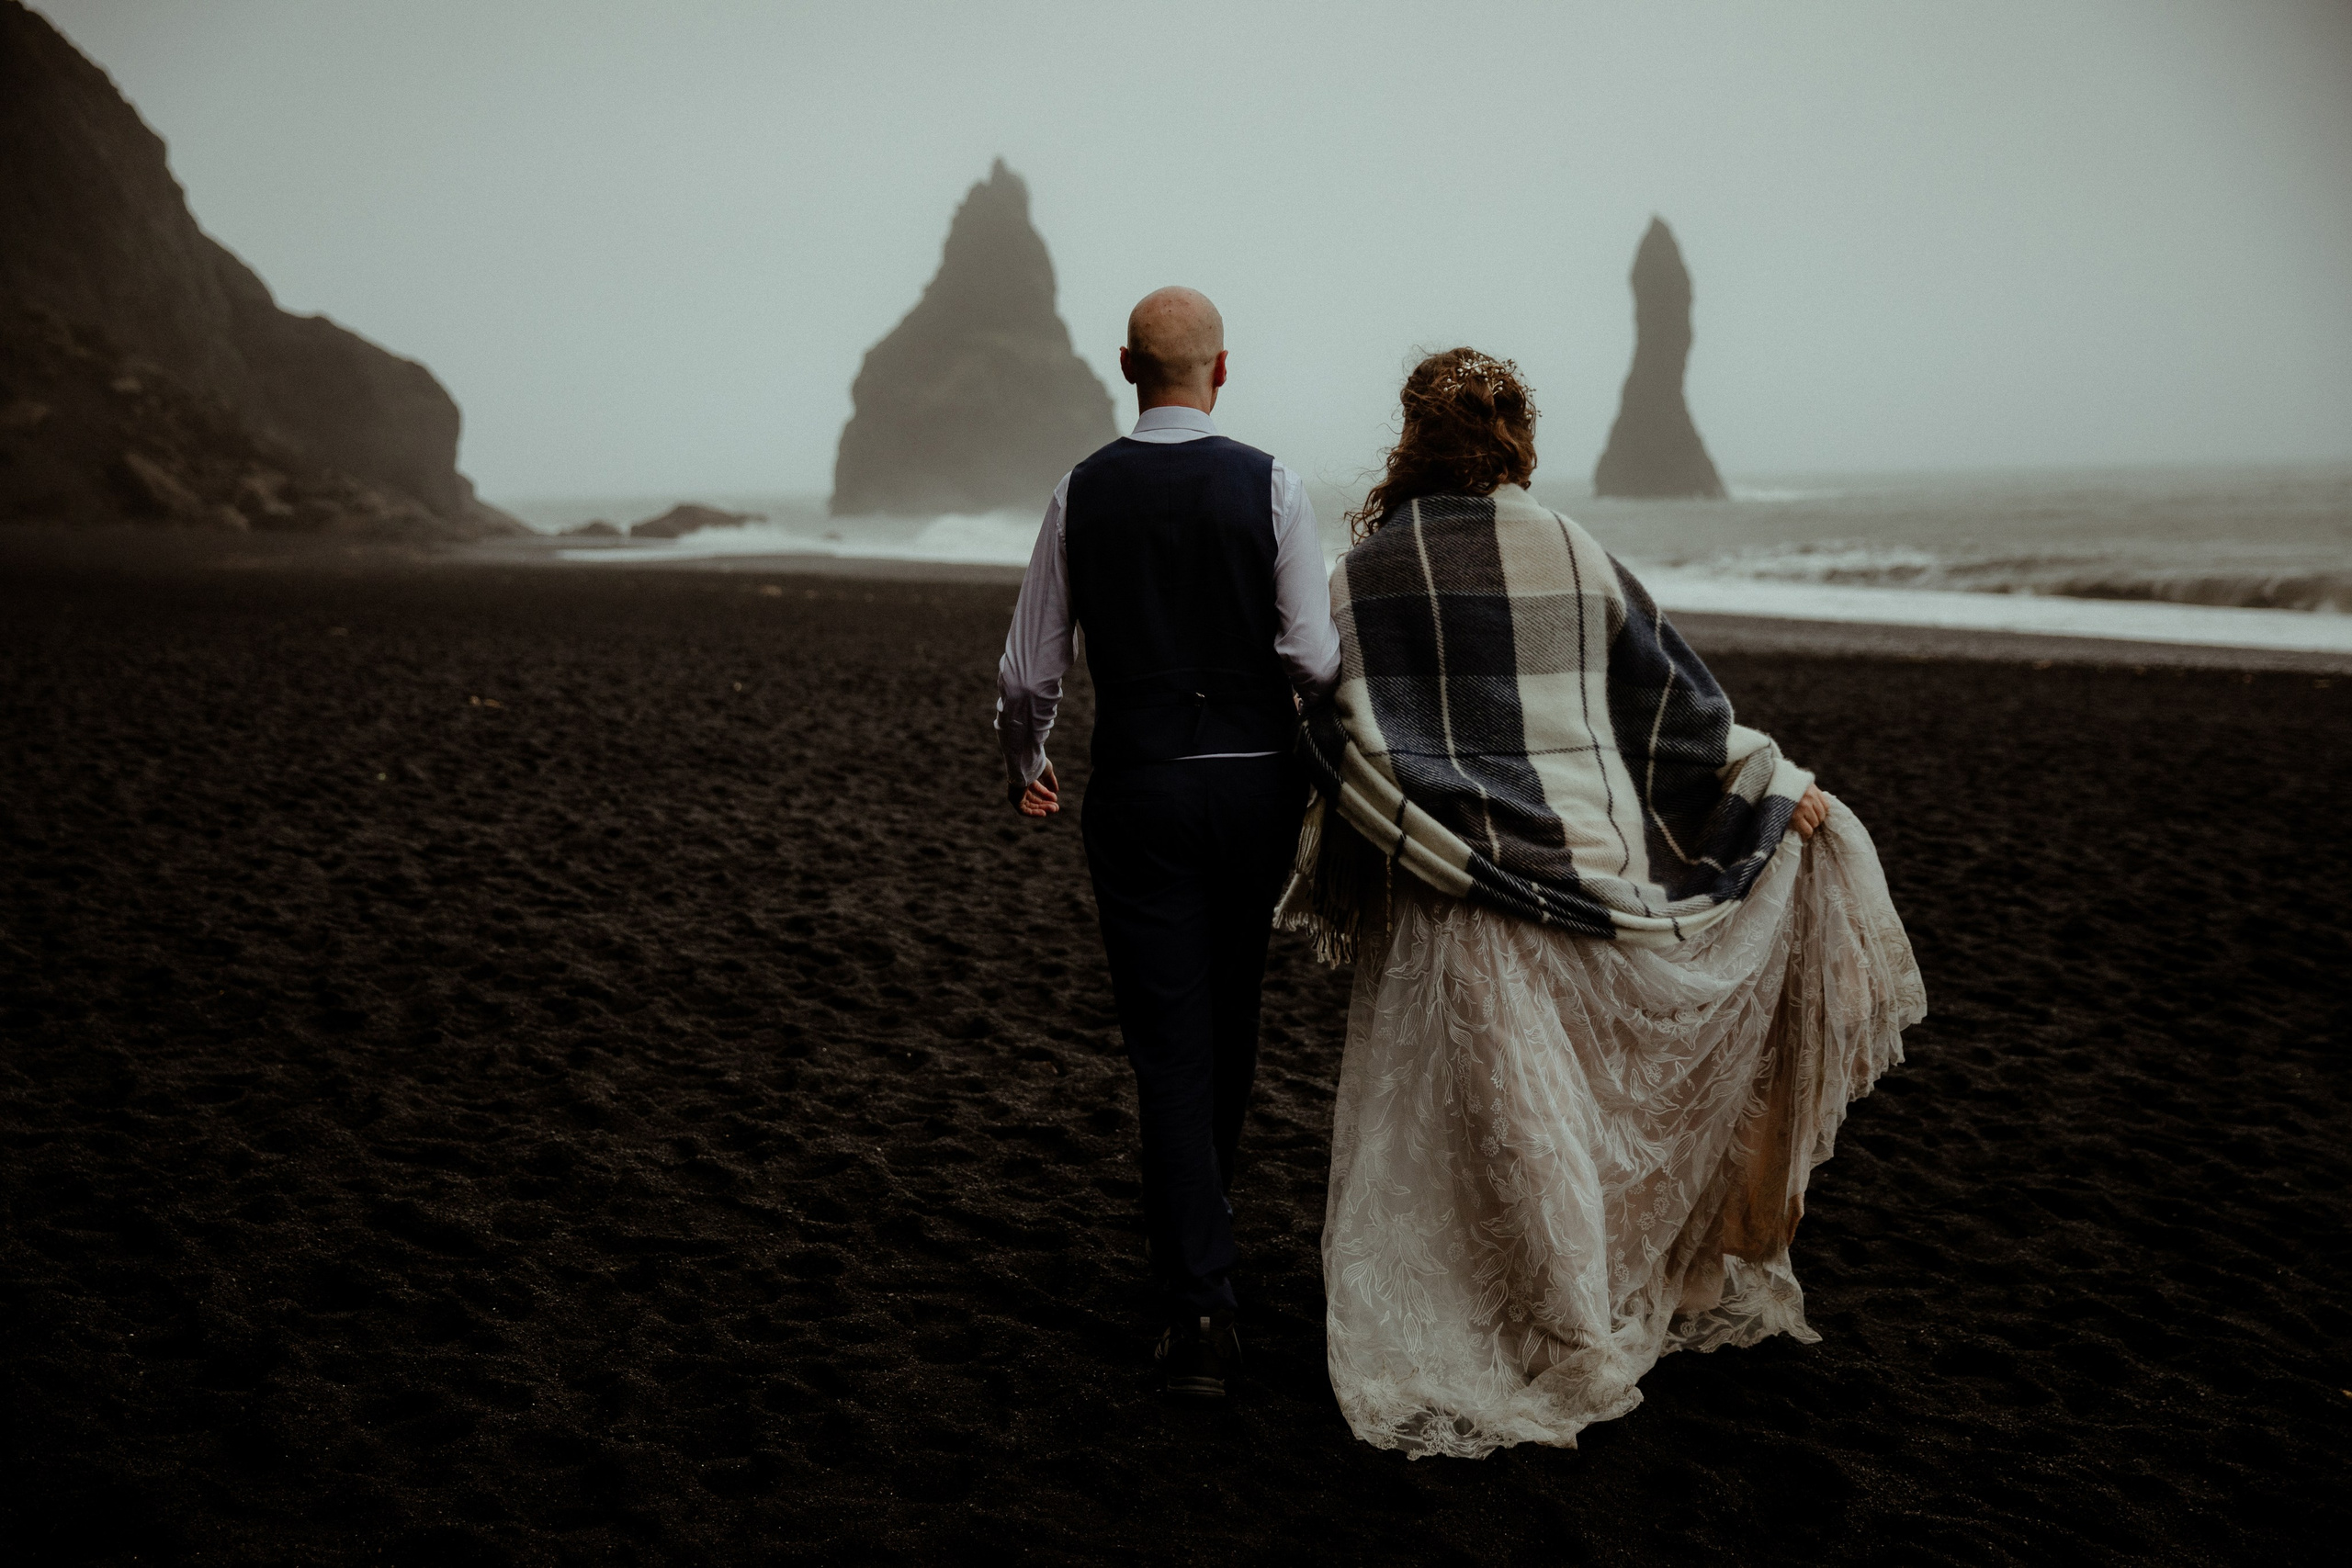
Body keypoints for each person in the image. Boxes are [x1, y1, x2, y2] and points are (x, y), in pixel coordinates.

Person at [1286, 348, 1927, 1458]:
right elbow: (1676, 714)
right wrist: (1769, 783)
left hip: (1451, 892)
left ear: (1411, 442)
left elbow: (1326, 723)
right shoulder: (1576, 553)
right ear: (1515, 439)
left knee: (1490, 1129)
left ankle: (1548, 1319)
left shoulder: (1364, 575)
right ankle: (1578, 1319)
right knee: (1572, 1112)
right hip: (1589, 870)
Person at [994, 287, 1340, 1400]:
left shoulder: (1079, 492)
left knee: (1168, 1039)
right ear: (1220, 372)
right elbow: (1311, 656)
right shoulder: (1271, 481)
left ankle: (1197, 1299)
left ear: (1126, 370)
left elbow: (1026, 671)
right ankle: (1205, 1237)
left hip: (1140, 785)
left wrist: (1026, 758)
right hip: (1253, 788)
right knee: (1230, 1020)